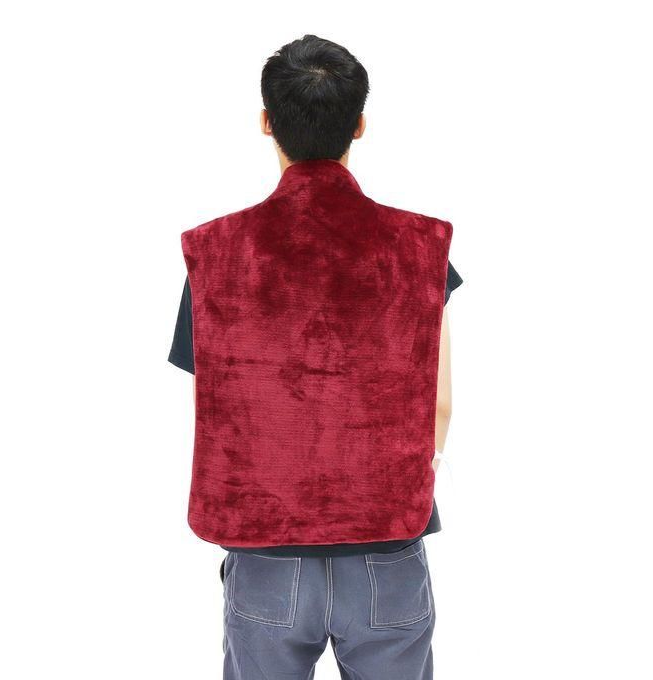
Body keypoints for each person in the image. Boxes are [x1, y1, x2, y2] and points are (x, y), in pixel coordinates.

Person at [169, 34, 463, 680]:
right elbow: (438, 402)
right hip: (388, 552)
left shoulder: (215, 254)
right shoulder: (419, 248)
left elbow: (217, 409)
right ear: (359, 124)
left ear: (266, 122)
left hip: (267, 560)